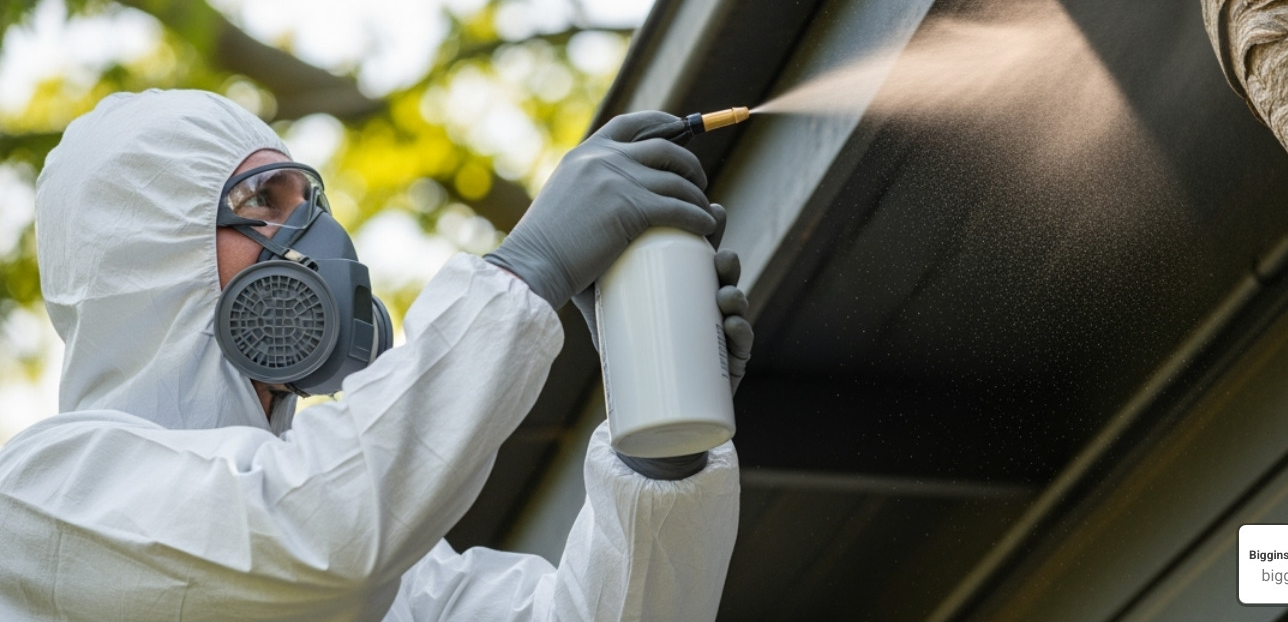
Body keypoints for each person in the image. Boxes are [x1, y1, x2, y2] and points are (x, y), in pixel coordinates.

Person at [0, 88, 753, 620]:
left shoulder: (406, 588)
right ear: (151, 258)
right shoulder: (45, 496)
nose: (315, 237)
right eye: (262, 201)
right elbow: (316, 537)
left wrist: (661, 447)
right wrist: (529, 271)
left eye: (310, 202)